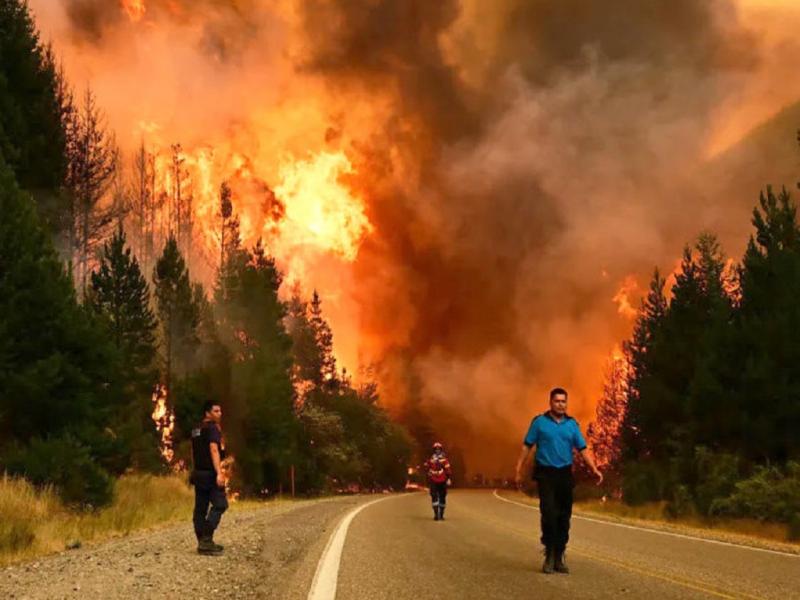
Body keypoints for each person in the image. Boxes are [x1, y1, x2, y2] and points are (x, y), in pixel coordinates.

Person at [514, 388, 603, 574]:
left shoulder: (572, 425)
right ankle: (549, 555)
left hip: (564, 474)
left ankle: (560, 554)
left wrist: (594, 468)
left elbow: (583, 448)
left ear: (566, 404)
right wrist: (519, 468)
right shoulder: (539, 423)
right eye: (557, 401)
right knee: (549, 514)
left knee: (564, 517)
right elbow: (527, 446)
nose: (561, 404)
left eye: (564, 401)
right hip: (545, 474)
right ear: (550, 402)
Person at [190, 401, 229, 555]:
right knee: (220, 504)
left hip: (199, 473)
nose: (220, 413)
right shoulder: (212, 428)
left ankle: (203, 542)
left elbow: (192, 451)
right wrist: (219, 472)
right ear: (207, 413)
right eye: (216, 411)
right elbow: (213, 450)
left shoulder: (196, 429)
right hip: (210, 474)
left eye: (220, 411)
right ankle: (206, 539)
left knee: (200, 508)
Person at [424, 442, 452, 521]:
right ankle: (436, 514)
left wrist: (449, 478)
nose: (437, 451)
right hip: (433, 480)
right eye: (436, 449)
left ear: (441, 450)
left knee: (442, 497)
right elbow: (426, 467)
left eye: (438, 449)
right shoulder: (431, 460)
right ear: (434, 450)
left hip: (442, 480)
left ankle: (441, 514)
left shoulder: (444, 460)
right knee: (434, 496)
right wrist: (428, 470)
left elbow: (448, 469)